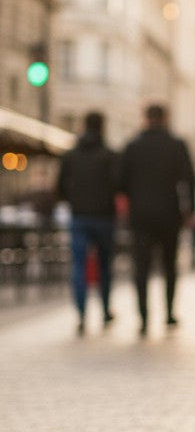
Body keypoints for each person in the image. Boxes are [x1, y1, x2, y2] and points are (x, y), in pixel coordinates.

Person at [120, 103, 195, 337]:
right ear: (165, 118)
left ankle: (143, 317)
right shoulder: (176, 145)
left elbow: (120, 181)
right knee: (169, 266)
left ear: (145, 118)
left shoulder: (132, 146)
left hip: (140, 215)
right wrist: (189, 210)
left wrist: (134, 199)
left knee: (141, 267)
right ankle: (169, 313)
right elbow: (190, 180)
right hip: (169, 214)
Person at [56, 111, 119, 336]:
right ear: (102, 126)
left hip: (79, 216)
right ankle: (104, 310)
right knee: (104, 266)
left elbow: (60, 186)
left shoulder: (71, 155)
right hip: (104, 217)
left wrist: (74, 200)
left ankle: (81, 314)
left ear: (83, 125)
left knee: (79, 266)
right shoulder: (110, 155)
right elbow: (117, 185)